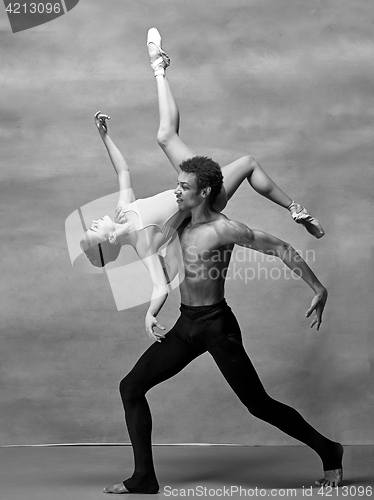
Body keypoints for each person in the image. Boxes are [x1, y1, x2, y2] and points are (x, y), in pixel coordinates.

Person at [102, 156, 343, 495]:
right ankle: (144, 478)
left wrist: (319, 288)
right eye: (178, 183)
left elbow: (280, 248)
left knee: (258, 405)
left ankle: (329, 449)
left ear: (205, 192)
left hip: (217, 327)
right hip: (187, 325)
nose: (177, 191)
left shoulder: (223, 228)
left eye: (184, 187)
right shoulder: (179, 222)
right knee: (131, 387)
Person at [81, 28, 324, 340]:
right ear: (107, 242)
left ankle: (158, 67)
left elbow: (123, 170)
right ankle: (295, 209)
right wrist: (150, 314)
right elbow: (159, 286)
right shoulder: (144, 246)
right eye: (94, 228)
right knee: (245, 161)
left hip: (189, 186)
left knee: (165, 137)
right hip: (204, 198)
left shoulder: (122, 211)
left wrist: (104, 136)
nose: (96, 219)